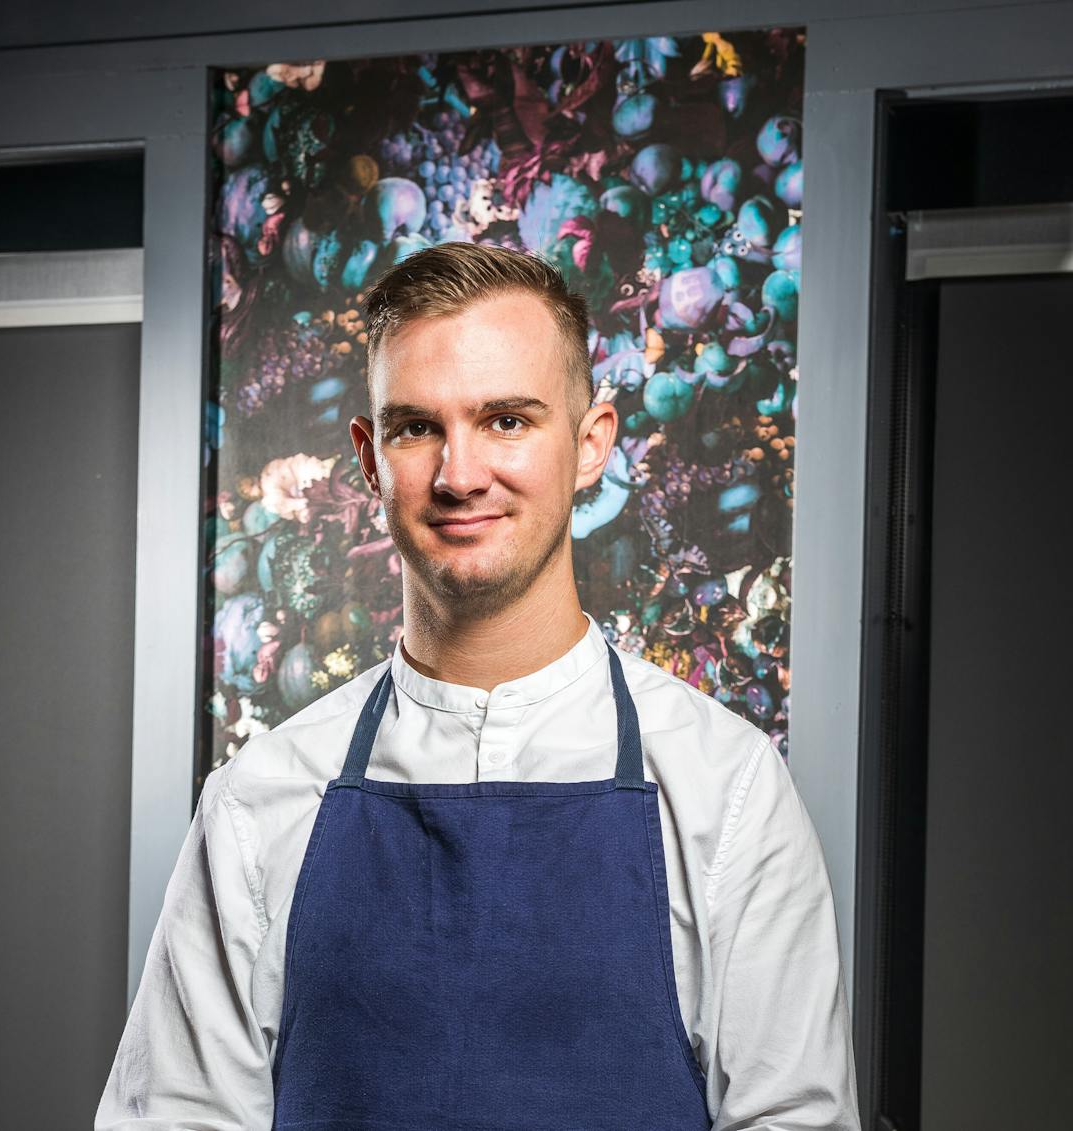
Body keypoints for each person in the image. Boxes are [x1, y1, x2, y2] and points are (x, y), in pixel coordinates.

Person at [97, 243, 861, 1129]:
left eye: (506, 419)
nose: (460, 476)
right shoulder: (255, 803)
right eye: (417, 426)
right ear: (370, 457)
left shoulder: (726, 792)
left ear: (589, 445)